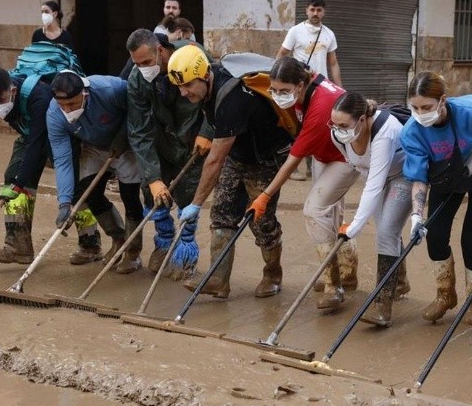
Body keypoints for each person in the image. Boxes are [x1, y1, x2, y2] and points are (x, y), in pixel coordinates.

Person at [169, 45, 294, 299]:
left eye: (188, 86)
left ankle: (273, 274)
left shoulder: (232, 99)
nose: (183, 92)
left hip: (266, 158)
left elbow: (215, 160)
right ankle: (218, 279)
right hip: (238, 154)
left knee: (261, 221)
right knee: (222, 213)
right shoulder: (208, 85)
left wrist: (195, 204)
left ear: (205, 76)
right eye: (179, 87)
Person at [249, 56, 359, 311]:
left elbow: (292, 162)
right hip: (326, 153)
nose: (279, 95)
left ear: (300, 85)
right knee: (330, 214)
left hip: (347, 157)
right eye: (274, 90)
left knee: (313, 210)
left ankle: (333, 285)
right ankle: (346, 273)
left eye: (284, 90)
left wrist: (265, 196)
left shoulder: (321, 105)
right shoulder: (306, 83)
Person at [401, 71, 472, 326]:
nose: (420, 113)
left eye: (427, 107)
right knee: (435, 236)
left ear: (443, 100)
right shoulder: (412, 132)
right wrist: (416, 215)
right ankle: (445, 295)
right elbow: (419, 178)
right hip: (448, 177)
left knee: (471, 239)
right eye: (414, 107)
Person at [125, 29, 214, 279]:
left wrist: (208, 130)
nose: (143, 68)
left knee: (188, 194)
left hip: (195, 137)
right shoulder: (137, 79)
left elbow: (216, 93)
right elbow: (138, 130)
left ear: (160, 51)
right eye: (137, 64)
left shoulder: (194, 56)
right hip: (162, 138)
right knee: (152, 191)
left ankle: (186, 249)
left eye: (146, 61)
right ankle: (164, 242)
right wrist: (153, 178)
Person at [0, 67, 82, 264]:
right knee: (12, 179)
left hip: (56, 135)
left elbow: (37, 145)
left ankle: (90, 243)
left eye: (0, 100)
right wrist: (17, 183)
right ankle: (18, 247)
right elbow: (28, 139)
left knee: (74, 186)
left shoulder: (39, 98)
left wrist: (20, 182)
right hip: (30, 136)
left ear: (12, 90)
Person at [47, 71, 145, 269]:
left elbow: (138, 108)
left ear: (85, 93)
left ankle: (133, 251)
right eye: (62, 105)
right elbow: (63, 161)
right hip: (93, 147)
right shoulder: (54, 115)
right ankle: (119, 238)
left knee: (130, 197)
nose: (67, 110)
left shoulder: (111, 89)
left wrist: (123, 136)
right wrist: (65, 203)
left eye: (72, 104)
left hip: (125, 146)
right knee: (90, 194)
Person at [331, 93, 412, 326]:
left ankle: (382, 306)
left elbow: (374, 186)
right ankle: (399, 283)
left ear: (362, 120)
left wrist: (354, 227)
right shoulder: (338, 135)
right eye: (334, 124)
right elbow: (359, 166)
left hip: (404, 175)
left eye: (344, 125)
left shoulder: (385, 131)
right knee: (387, 230)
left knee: (386, 233)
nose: (338, 130)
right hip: (375, 177)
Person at [276, 0, 341, 181]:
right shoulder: (296, 31)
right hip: (299, 88)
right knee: (295, 126)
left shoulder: (329, 34)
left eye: (319, 10)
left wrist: (339, 90)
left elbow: (333, 63)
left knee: (316, 125)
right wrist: (279, 78)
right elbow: (281, 55)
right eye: (312, 9)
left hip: (320, 89)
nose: (315, 13)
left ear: (323, 12)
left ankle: (312, 165)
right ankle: (292, 167)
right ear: (306, 10)